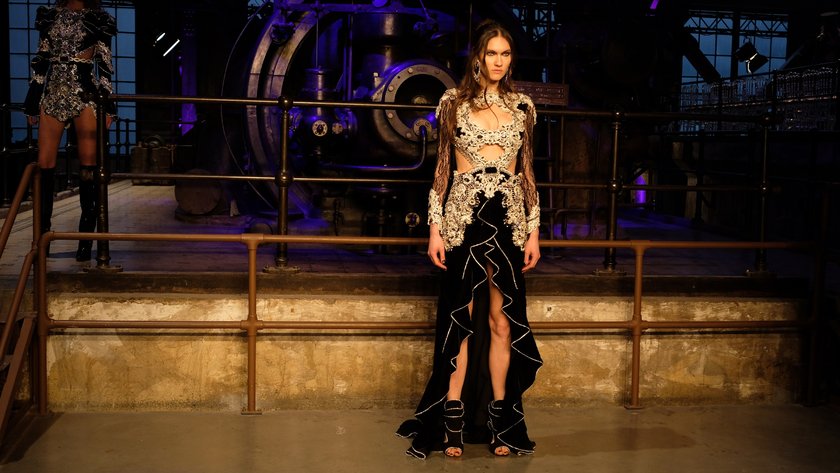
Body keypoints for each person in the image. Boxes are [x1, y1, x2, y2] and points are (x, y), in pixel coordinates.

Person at [396, 20, 543, 458]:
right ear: (478, 57)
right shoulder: (452, 103)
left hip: (510, 220)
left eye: (505, 54)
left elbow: (528, 173)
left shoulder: (523, 106)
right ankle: (451, 422)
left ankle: (501, 423)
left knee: (502, 322)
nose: (499, 61)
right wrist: (434, 229)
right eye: (491, 53)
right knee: (461, 320)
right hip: (464, 218)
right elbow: (441, 169)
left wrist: (534, 232)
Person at [24, 0, 116, 261]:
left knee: (89, 166)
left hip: (85, 94)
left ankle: (86, 242)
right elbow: (41, 59)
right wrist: (32, 101)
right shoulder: (49, 16)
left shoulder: (99, 19)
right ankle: (42, 240)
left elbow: (105, 64)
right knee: (44, 164)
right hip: (53, 93)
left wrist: (108, 107)